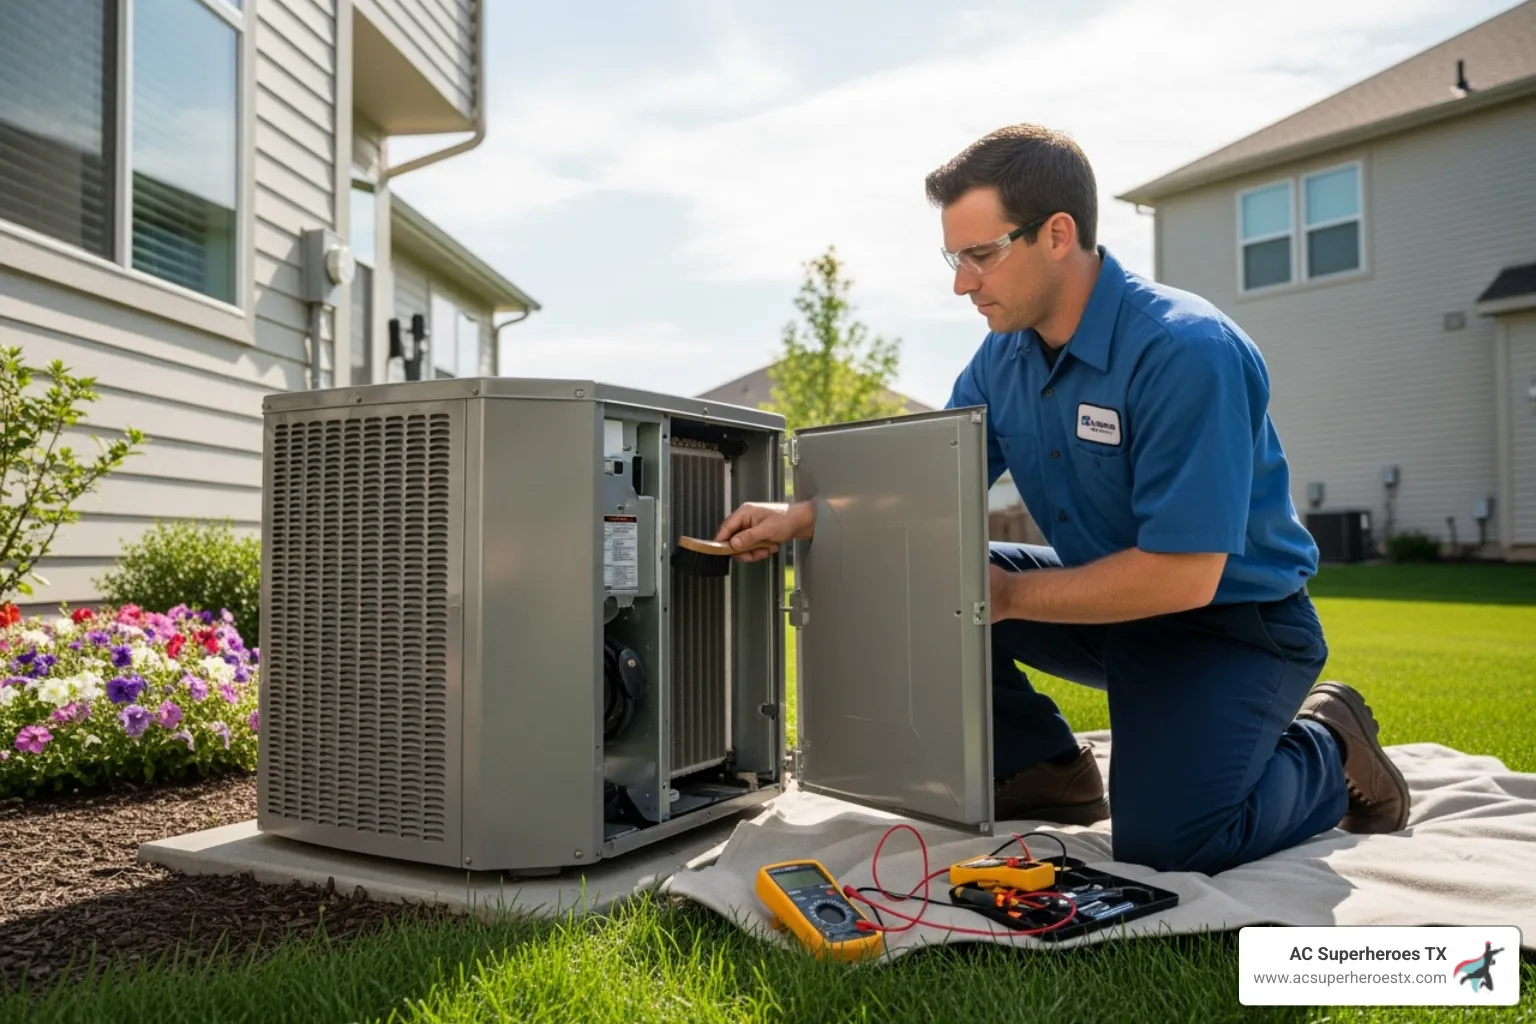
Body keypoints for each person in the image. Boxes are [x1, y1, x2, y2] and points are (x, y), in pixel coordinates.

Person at [710, 124, 1411, 875]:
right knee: (916, 569)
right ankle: (1046, 769)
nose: (962, 283)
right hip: (1108, 608)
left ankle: (1328, 744)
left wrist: (1006, 595)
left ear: (1057, 234)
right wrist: (805, 517)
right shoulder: (1002, 358)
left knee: (1170, 843)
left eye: (981, 255)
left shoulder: (1186, 351)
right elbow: (925, 489)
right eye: (955, 258)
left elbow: (1185, 577)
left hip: (1232, 628)